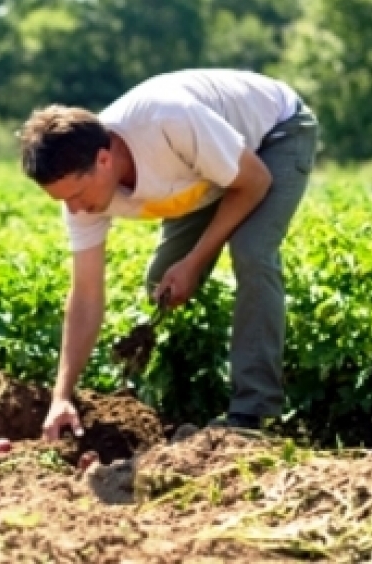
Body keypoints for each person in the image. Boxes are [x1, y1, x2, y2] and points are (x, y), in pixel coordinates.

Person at [17, 68, 319, 441]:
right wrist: (61, 397)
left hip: (274, 136)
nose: (76, 210)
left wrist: (194, 262)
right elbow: (86, 295)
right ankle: (186, 394)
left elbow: (254, 181)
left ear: (104, 159)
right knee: (162, 284)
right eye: (63, 201)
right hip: (209, 169)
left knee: (251, 251)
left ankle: (253, 413)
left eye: (77, 195)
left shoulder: (167, 121)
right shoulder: (80, 197)